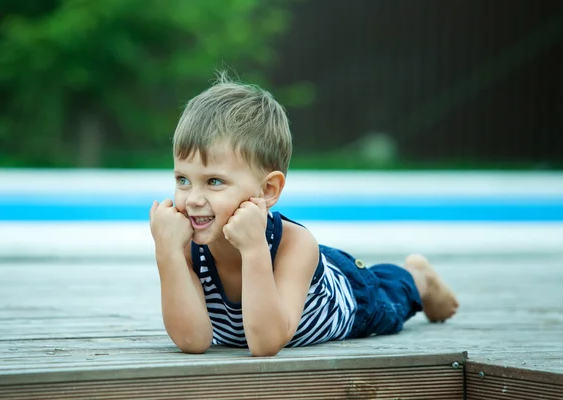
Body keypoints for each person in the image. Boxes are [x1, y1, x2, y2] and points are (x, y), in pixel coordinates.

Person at [149, 73, 459, 357]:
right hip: (278, 295)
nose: (192, 199)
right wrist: (167, 252)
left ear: (268, 190)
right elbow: (193, 341)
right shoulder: (189, 250)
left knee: (392, 296)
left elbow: (266, 343)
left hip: (351, 299)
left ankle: (420, 277)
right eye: (183, 180)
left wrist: (255, 248)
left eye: (214, 181)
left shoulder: (295, 244)